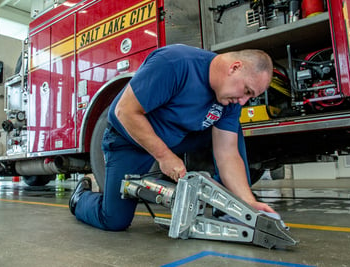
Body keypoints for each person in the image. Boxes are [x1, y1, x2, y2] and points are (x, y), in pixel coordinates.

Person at [69, 44, 276, 231]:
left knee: (232, 130)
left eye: (250, 97)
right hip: (130, 140)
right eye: (246, 91)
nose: (242, 101)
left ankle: (231, 208)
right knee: (114, 220)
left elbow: (228, 153)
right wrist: (164, 156)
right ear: (234, 67)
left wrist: (248, 201)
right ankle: (80, 199)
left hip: (177, 137)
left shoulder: (230, 101)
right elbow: (125, 112)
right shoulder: (174, 63)